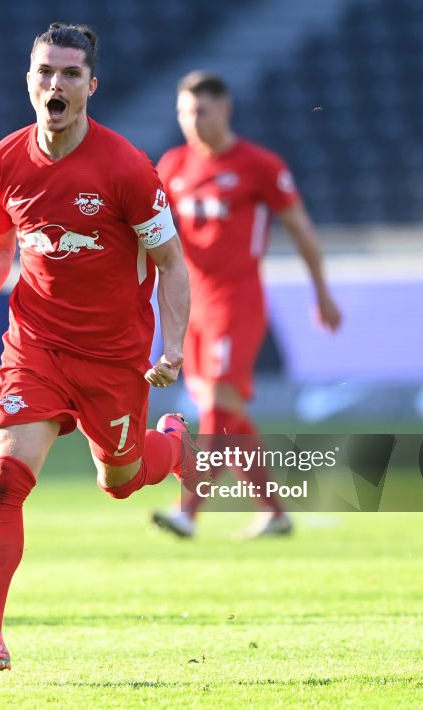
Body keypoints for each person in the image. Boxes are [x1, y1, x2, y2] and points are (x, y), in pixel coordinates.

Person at [0, 23, 200, 675]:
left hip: (113, 358)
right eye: (45, 72)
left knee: (121, 480)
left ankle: (172, 447)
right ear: (29, 79)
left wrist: (173, 349)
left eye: (70, 74)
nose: (55, 84)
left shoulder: (126, 169)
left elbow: (170, 262)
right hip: (36, 346)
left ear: (91, 86)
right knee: (6, 481)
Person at [152, 71, 342, 541]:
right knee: (228, 415)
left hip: (237, 301)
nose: (192, 122)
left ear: (225, 110)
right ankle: (275, 512)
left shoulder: (258, 164)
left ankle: (188, 512)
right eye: (184, 113)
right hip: (190, 306)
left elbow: (300, 229)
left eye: (200, 112)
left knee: (217, 405)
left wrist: (322, 293)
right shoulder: (172, 165)